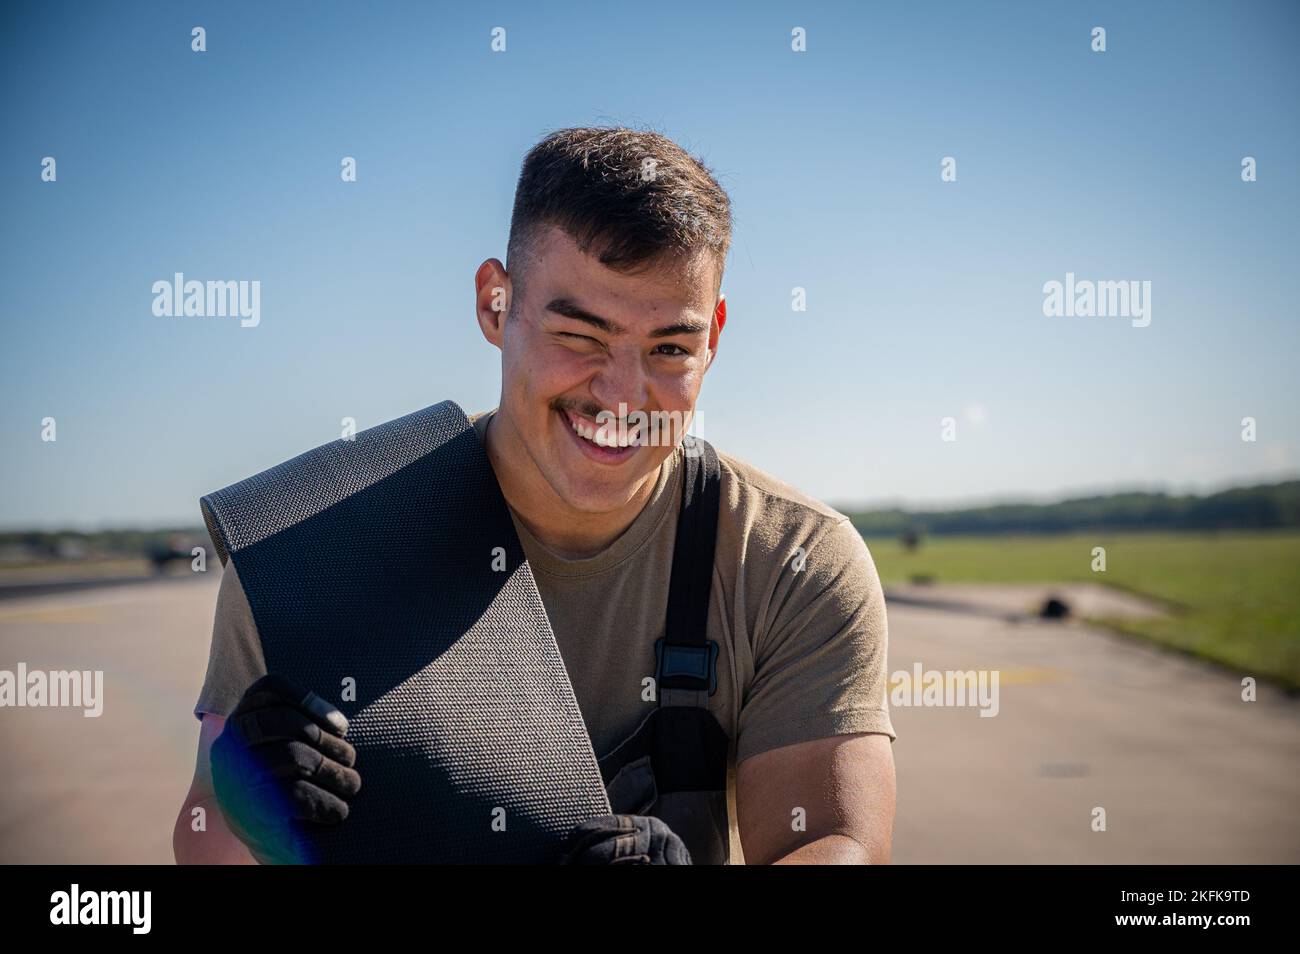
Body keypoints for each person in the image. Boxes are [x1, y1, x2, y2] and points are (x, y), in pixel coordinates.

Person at [173, 127, 896, 865]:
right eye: (580, 334)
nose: (623, 396)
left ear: (712, 336)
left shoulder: (790, 561)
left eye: (668, 349)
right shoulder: (319, 542)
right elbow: (203, 845)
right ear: (496, 303)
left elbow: (836, 844)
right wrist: (244, 811)